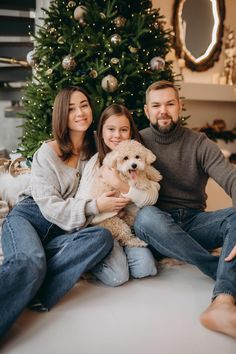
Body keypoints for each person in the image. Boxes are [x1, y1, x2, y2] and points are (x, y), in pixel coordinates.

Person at [0, 86, 129, 338]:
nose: (80, 112)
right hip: (30, 218)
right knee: (30, 261)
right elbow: (49, 207)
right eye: (71, 109)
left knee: (101, 239)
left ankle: (37, 290)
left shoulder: (97, 146)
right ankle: (30, 278)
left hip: (65, 230)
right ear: (61, 115)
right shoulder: (46, 154)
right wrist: (95, 207)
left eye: (84, 105)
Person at [133, 80, 236, 338]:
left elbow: (231, 180)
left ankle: (223, 302)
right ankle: (217, 269)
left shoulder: (199, 143)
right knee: (144, 217)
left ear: (180, 106)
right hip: (157, 228)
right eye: (156, 105)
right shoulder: (137, 142)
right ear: (147, 111)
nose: (163, 111)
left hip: (194, 223)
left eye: (169, 104)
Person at [76, 104, 159, 286]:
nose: (117, 135)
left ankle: (121, 253)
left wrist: (119, 184)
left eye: (123, 129)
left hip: (128, 228)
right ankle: (93, 261)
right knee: (118, 276)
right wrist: (109, 209)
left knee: (146, 269)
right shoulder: (95, 162)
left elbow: (151, 197)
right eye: (111, 129)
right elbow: (82, 203)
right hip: (102, 227)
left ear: (130, 132)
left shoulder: (137, 157)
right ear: (101, 131)